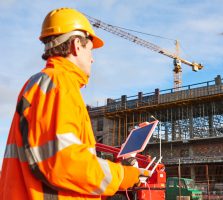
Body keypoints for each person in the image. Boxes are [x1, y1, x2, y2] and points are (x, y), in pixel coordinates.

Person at [0, 7, 149, 200]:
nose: (93, 58)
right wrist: (122, 175)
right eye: (90, 50)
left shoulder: (44, 84)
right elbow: (65, 162)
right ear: (77, 45)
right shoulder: (60, 85)